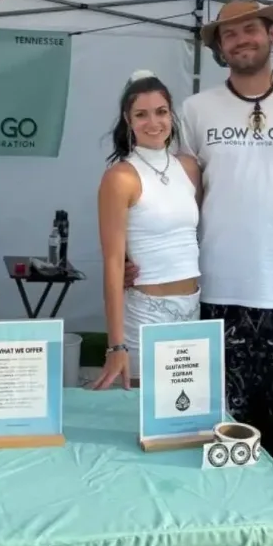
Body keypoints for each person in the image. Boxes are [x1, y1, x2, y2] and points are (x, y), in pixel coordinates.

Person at [123, 0, 273, 501]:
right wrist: (134, 252)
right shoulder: (196, 109)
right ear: (219, 48)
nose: (241, 40)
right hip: (217, 293)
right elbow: (173, 195)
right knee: (220, 418)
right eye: (229, 35)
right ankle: (234, 521)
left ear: (272, 35)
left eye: (251, 29)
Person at [91, 70, 202, 391]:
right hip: (146, 314)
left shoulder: (189, 168)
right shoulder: (120, 177)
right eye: (142, 114)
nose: (153, 122)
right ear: (128, 120)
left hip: (192, 307)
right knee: (141, 412)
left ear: (171, 115)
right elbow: (112, 262)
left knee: (184, 411)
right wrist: (116, 345)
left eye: (161, 112)